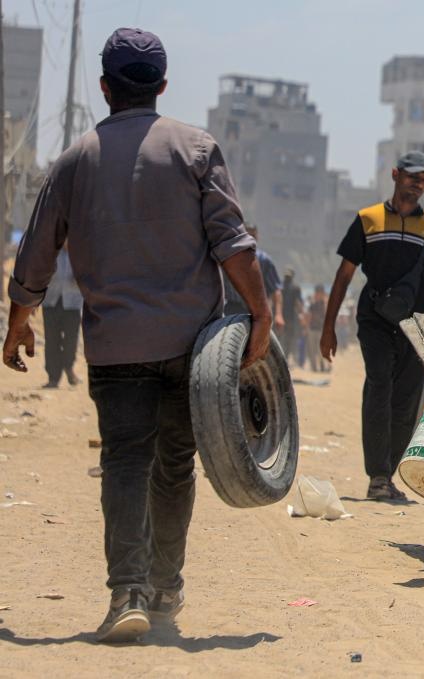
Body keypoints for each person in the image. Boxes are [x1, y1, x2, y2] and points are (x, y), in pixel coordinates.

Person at [2, 28, 270, 643]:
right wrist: (260, 315)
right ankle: (164, 584)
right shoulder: (196, 149)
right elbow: (232, 243)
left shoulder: (75, 159)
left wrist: (18, 325)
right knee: (175, 464)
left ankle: (126, 592)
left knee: (125, 461)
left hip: (115, 345)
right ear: (162, 87)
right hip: (191, 346)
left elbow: (37, 252)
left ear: (105, 87)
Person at [320, 151, 424, 501]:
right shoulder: (368, 219)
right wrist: (328, 327)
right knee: (379, 387)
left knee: (407, 399)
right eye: (412, 176)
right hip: (374, 319)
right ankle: (377, 475)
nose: (418, 184)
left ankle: (389, 473)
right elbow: (343, 277)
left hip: (417, 324)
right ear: (395, 175)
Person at [223, 225, 284, 331]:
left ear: (257, 237)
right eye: (247, 235)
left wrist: (279, 314)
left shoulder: (264, 260)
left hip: (257, 309)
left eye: (253, 235)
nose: (250, 238)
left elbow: (276, 290)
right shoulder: (230, 258)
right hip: (232, 308)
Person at [40, 247, 83, 388]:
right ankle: (53, 378)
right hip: (51, 302)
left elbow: (91, 274)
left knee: (71, 339)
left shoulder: (80, 254)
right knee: (52, 340)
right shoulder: (49, 253)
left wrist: (81, 278)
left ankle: (68, 367)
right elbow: (38, 274)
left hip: (73, 302)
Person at [281, 269, 303, 360]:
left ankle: (284, 358)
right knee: (288, 339)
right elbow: (299, 303)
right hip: (288, 318)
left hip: (283, 317)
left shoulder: (279, 286)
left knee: (284, 338)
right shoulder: (295, 287)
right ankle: (285, 358)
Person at [307, 284, 327, 372]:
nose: (318, 295)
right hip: (312, 329)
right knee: (312, 350)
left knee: (320, 350)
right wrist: (306, 328)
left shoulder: (325, 304)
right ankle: (314, 367)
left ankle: (322, 365)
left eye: (320, 293)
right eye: (317, 293)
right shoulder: (312, 305)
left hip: (321, 330)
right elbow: (309, 317)